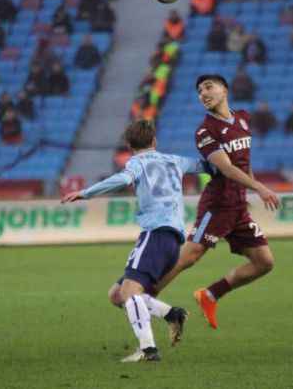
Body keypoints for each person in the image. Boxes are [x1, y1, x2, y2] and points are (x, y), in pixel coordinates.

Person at [62, 120, 204, 362]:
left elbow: (122, 179)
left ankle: (148, 350)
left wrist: (85, 193)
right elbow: (208, 165)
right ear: (155, 141)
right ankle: (172, 315)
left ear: (129, 145)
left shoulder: (136, 163)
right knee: (117, 295)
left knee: (129, 291)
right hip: (173, 240)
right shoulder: (175, 160)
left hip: (155, 234)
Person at [152, 75, 280, 330]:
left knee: (264, 262)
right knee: (188, 257)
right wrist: (260, 187)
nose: (203, 93)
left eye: (208, 87)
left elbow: (245, 162)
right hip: (217, 205)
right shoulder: (205, 132)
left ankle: (210, 295)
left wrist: (249, 192)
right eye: (199, 91)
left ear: (225, 90)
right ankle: (143, 298)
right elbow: (228, 168)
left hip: (238, 206)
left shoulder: (243, 118)